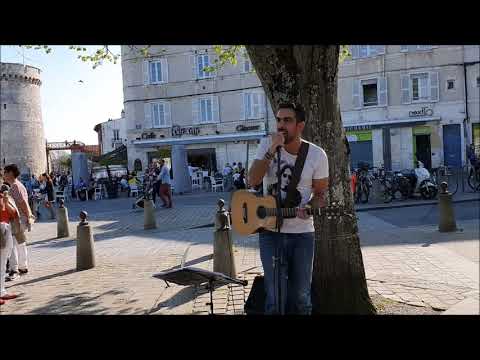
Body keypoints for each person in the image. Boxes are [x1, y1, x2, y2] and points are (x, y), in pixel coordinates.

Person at [248, 103, 329, 315]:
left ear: (300, 125)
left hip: (302, 234)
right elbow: (253, 180)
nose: (281, 125)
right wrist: (271, 150)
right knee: (274, 298)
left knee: (302, 296)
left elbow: (321, 195)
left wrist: (310, 206)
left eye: (287, 120)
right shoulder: (267, 143)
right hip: (270, 233)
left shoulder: (317, 155)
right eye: (278, 120)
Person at [2, 164, 35, 281]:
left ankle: (14, 270)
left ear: (11, 173)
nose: (3, 174)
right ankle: (22, 267)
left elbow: (22, 203)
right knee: (20, 244)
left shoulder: (15, 186)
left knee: (13, 245)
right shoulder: (18, 185)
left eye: (5, 172)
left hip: (17, 219)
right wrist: (29, 216)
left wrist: (28, 216)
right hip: (19, 218)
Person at [0, 184, 19, 303]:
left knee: (2, 262)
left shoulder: (3, 197)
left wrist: (7, 203)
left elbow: (14, 213)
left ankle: (1, 291)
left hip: (5, 229)